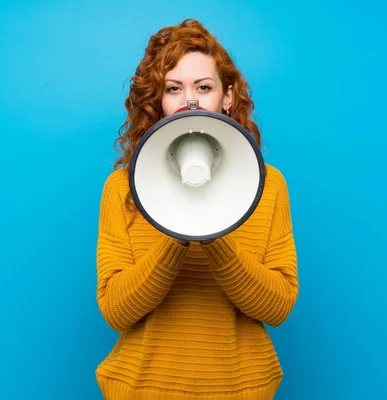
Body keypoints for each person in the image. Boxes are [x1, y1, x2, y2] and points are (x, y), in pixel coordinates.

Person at [95, 18, 299, 399]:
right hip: (141, 389)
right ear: (157, 100)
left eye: (203, 87)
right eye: (173, 88)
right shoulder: (122, 188)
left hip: (243, 390)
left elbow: (278, 307)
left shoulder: (269, 186)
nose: (190, 101)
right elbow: (116, 311)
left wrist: (212, 228)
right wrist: (177, 225)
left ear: (228, 96)